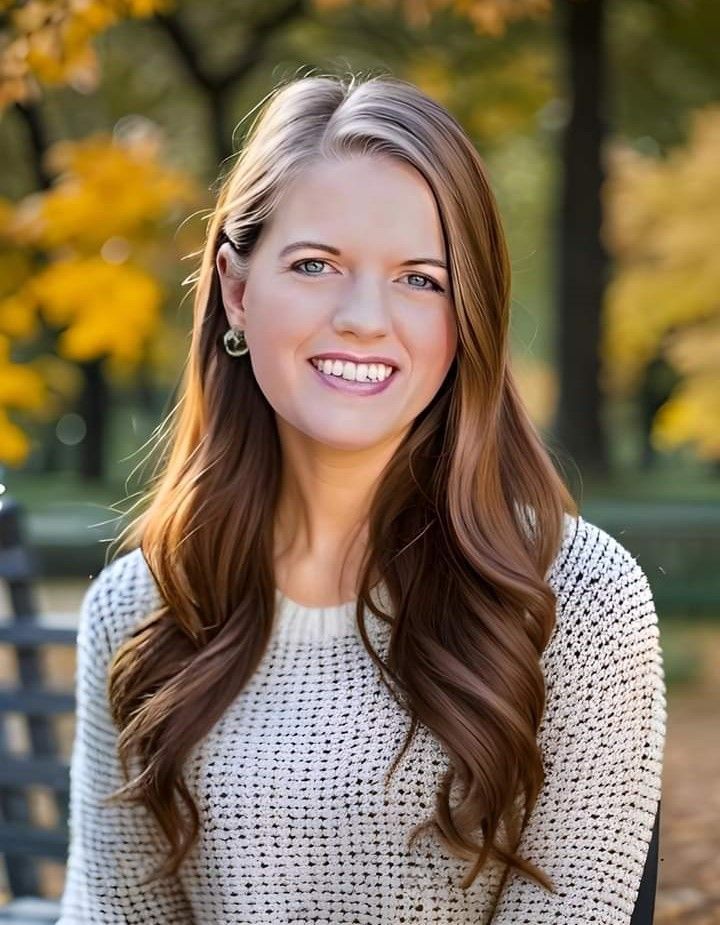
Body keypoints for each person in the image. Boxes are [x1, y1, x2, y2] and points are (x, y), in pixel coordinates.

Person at [56, 72, 666, 924]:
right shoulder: (138, 611)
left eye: (421, 278)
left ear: (468, 316)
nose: (363, 318)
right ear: (236, 287)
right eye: (315, 264)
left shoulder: (577, 600)